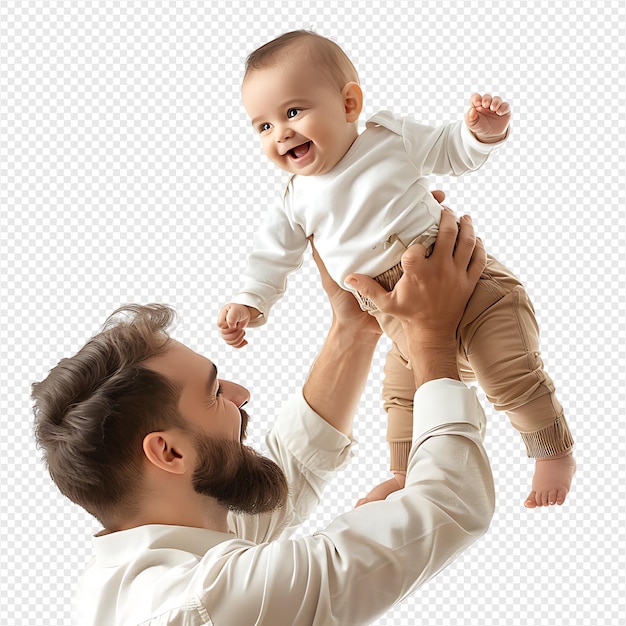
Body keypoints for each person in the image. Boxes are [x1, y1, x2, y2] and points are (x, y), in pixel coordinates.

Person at [33, 208, 495, 625]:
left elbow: (290, 468)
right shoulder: (203, 604)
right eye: (213, 393)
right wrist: (431, 335)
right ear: (169, 451)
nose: (241, 393)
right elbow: (450, 503)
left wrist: (353, 327)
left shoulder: (141, 569)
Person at [217, 29, 575, 508]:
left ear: (349, 104)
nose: (280, 132)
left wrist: (479, 133)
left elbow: (451, 150)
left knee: (506, 375)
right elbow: (271, 258)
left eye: (293, 112)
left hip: (471, 289)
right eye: (262, 126)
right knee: (400, 400)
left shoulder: (388, 140)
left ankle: (552, 451)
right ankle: (404, 472)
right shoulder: (292, 200)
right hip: (395, 318)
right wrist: (251, 302)